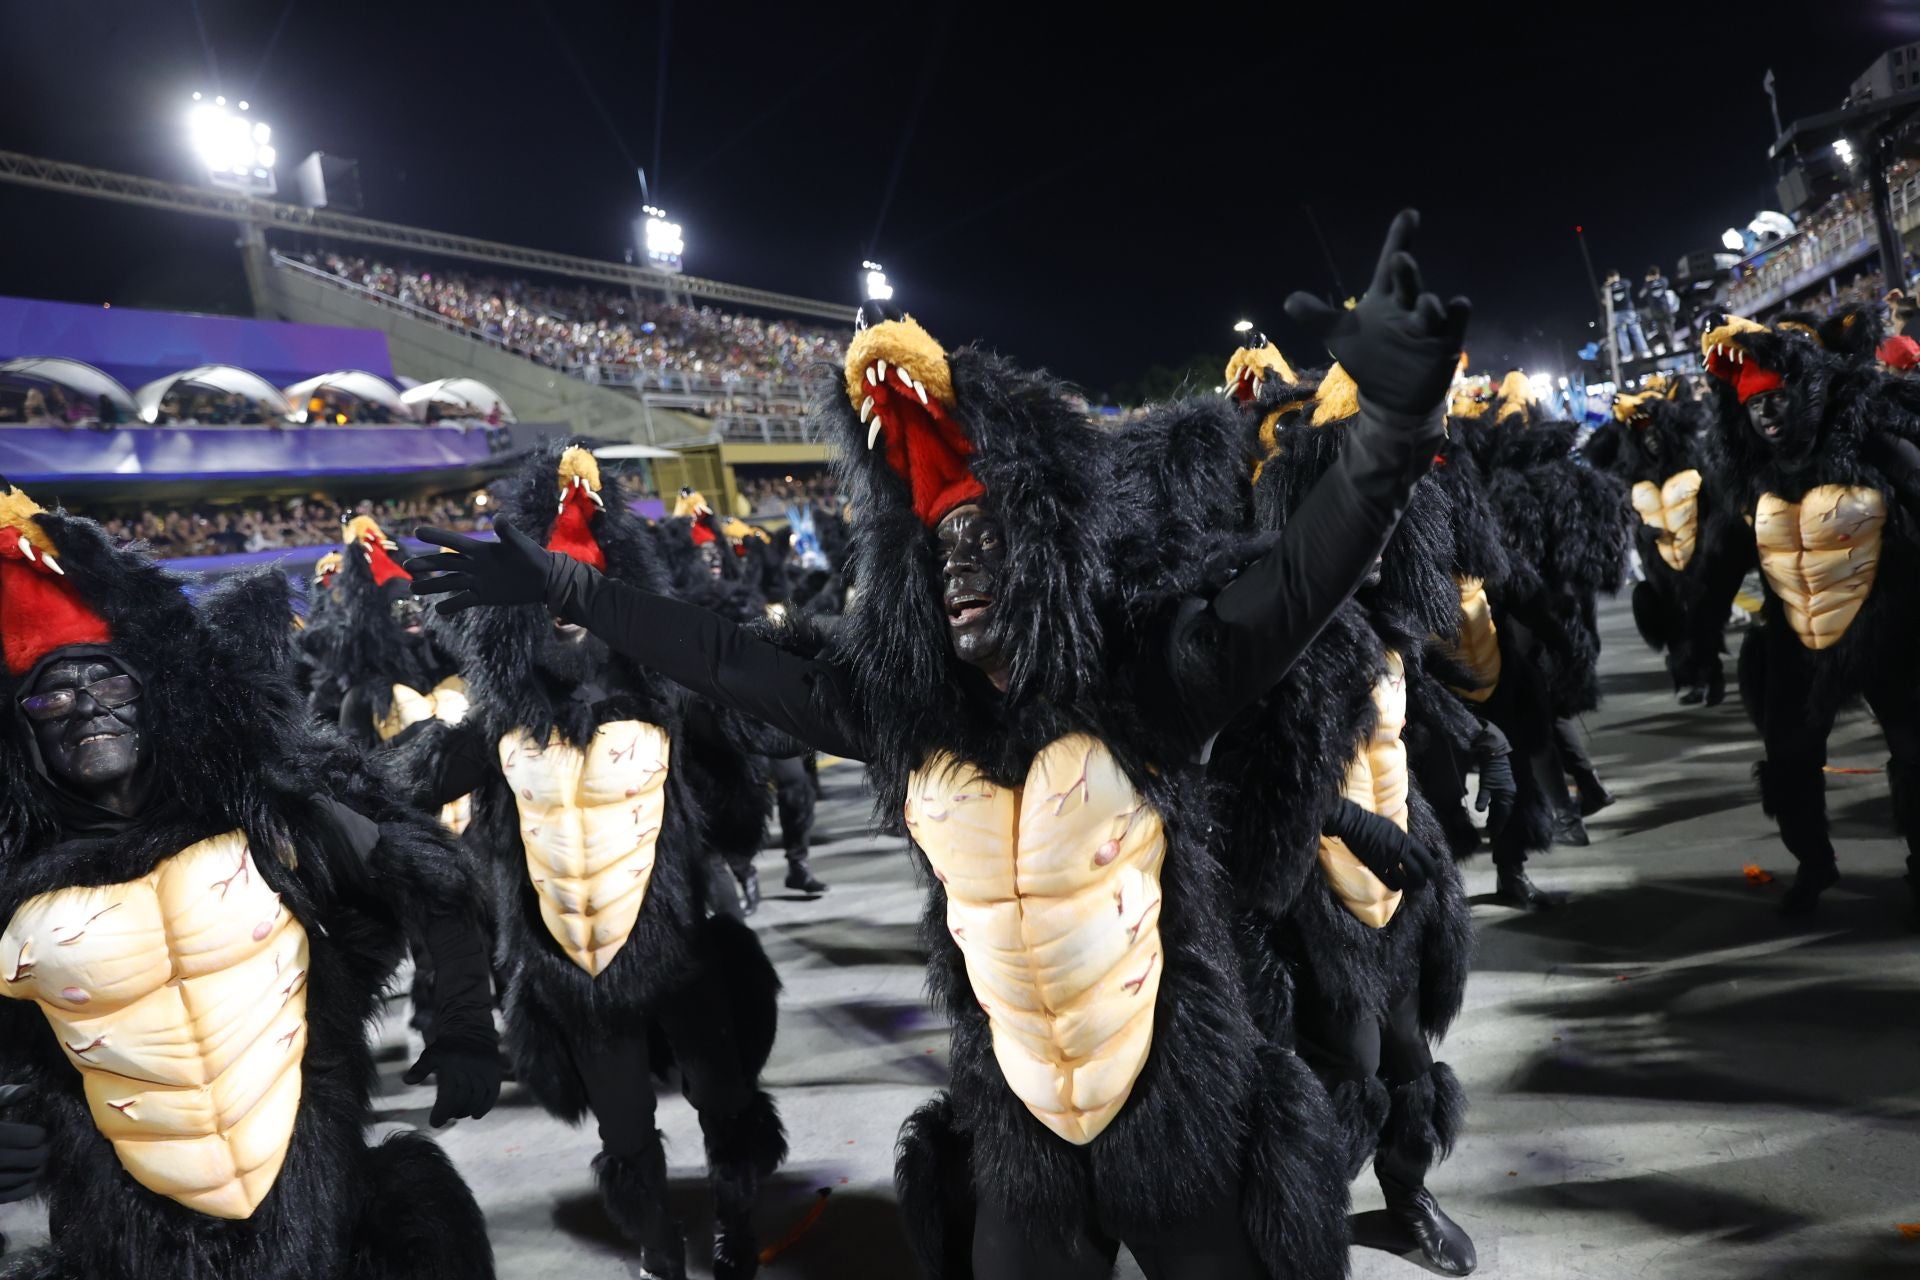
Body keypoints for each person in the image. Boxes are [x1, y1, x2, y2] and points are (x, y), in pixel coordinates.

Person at [409, 210, 1469, 1279]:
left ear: (1048, 555)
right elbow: (724, 658)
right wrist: (566, 583)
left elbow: (1300, 583)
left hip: (1173, 1105)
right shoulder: (898, 718)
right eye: (945, 544)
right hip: (1023, 1127)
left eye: (990, 539)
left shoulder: (1147, 685)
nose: (962, 564)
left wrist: (1395, 421)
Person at [0, 479, 499, 1278]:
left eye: (109, 681)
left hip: (318, 1200)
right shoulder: (13, 888)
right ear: (19, 728)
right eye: (52, 694)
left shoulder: (275, 811)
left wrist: (467, 1023)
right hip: (131, 1234)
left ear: (153, 694)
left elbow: (427, 877)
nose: (87, 706)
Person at [385, 446, 787, 1279]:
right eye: (550, 588)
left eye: (584, 585)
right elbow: (403, 793)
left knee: (723, 1096)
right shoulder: (500, 721)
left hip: (676, 948)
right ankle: (656, 1243)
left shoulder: (669, 700)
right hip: (574, 970)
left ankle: (735, 1222)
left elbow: (750, 774)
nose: (566, 613)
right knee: (623, 1126)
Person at [1677, 314, 1920, 919]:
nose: (1768, 415)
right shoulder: (1746, 473)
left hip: (1888, 627)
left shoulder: (1871, 437)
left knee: (1917, 755)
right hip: (1796, 632)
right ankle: (1814, 864)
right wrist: (1701, 638)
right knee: (1789, 760)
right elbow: (1721, 558)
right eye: (1755, 405)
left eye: (1778, 398)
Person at [1606, 270, 1652, 361]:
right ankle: (1630, 354)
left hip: (1626, 311)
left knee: (1634, 330)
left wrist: (1613, 283)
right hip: (1619, 313)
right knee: (1624, 333)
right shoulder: (1609, 287)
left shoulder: (1622, 283)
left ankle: (1643, 351)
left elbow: (1627, 283)